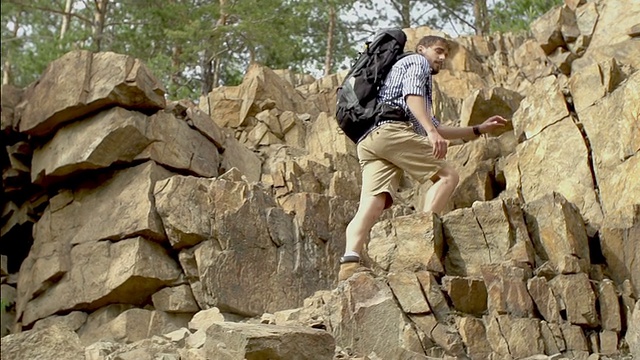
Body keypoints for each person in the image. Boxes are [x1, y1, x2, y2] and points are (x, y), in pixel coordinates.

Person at [338, 35, 508, 282]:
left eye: (445, 55)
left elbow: (435, 125)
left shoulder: (397, 72)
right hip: (392, 131)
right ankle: (422, 240)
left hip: (369, 140)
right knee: (449, 175)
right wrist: (429, 132)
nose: (442, 58)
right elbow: (412, 97)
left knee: (371, 205)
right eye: (438, 51)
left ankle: (349, 262)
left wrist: (477, 129)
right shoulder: (417, 62)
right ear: (422, 49)